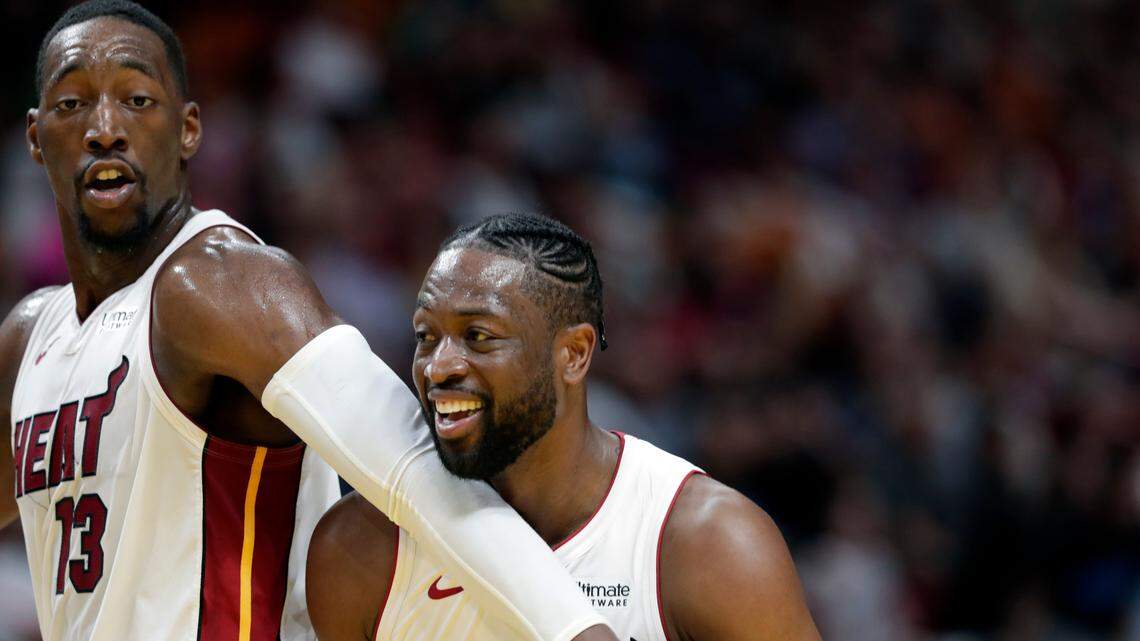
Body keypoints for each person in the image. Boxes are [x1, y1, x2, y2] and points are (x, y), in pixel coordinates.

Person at [0, 2, 618, 640]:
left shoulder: (220, 283)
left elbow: (411, 466)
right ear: (34, 136)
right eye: (72, 104)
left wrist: (575, 627)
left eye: (136, 99)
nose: (105, 129)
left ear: (188, 130)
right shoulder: (30, 338)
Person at [306, 214, 824, 641]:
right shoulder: (360, 548)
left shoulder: (706, 543)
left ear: (574, 354)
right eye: (426, 335)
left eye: (478, 336)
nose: (438, 367)